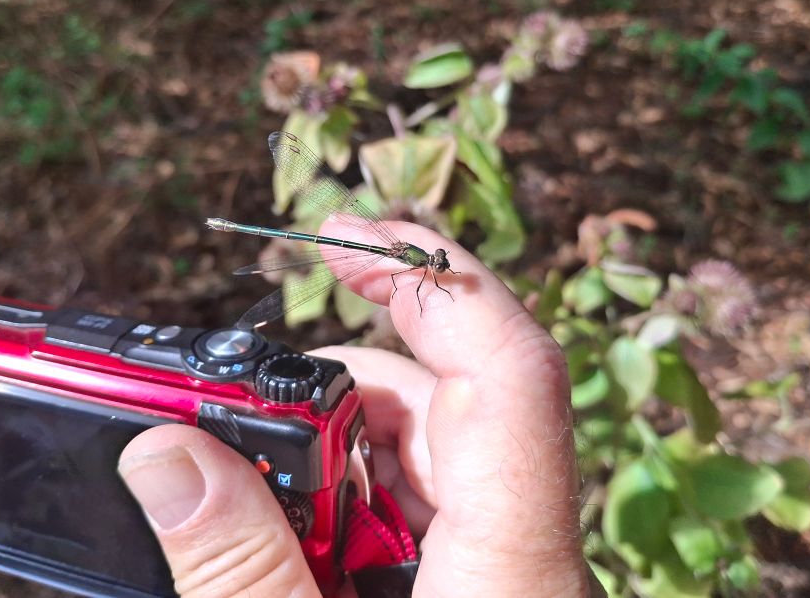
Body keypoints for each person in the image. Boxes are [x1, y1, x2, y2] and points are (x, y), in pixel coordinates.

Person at [118, 220, 591, 597]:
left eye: (438, 263)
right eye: (437, 263)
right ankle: (229, 226)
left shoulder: (418, 265)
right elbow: (418, 285)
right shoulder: (415, 268)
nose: (439, 266)